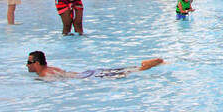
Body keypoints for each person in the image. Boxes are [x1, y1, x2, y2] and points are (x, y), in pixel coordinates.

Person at [26, 50, 165, 79]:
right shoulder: (52, 68)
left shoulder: (44, 74)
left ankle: (144, 67)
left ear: (37, 63)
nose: (27, 65)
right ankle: (143, 66)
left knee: (124, 74)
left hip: (85, 77)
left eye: (29, 62)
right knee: (121, 71)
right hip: (88, 72)